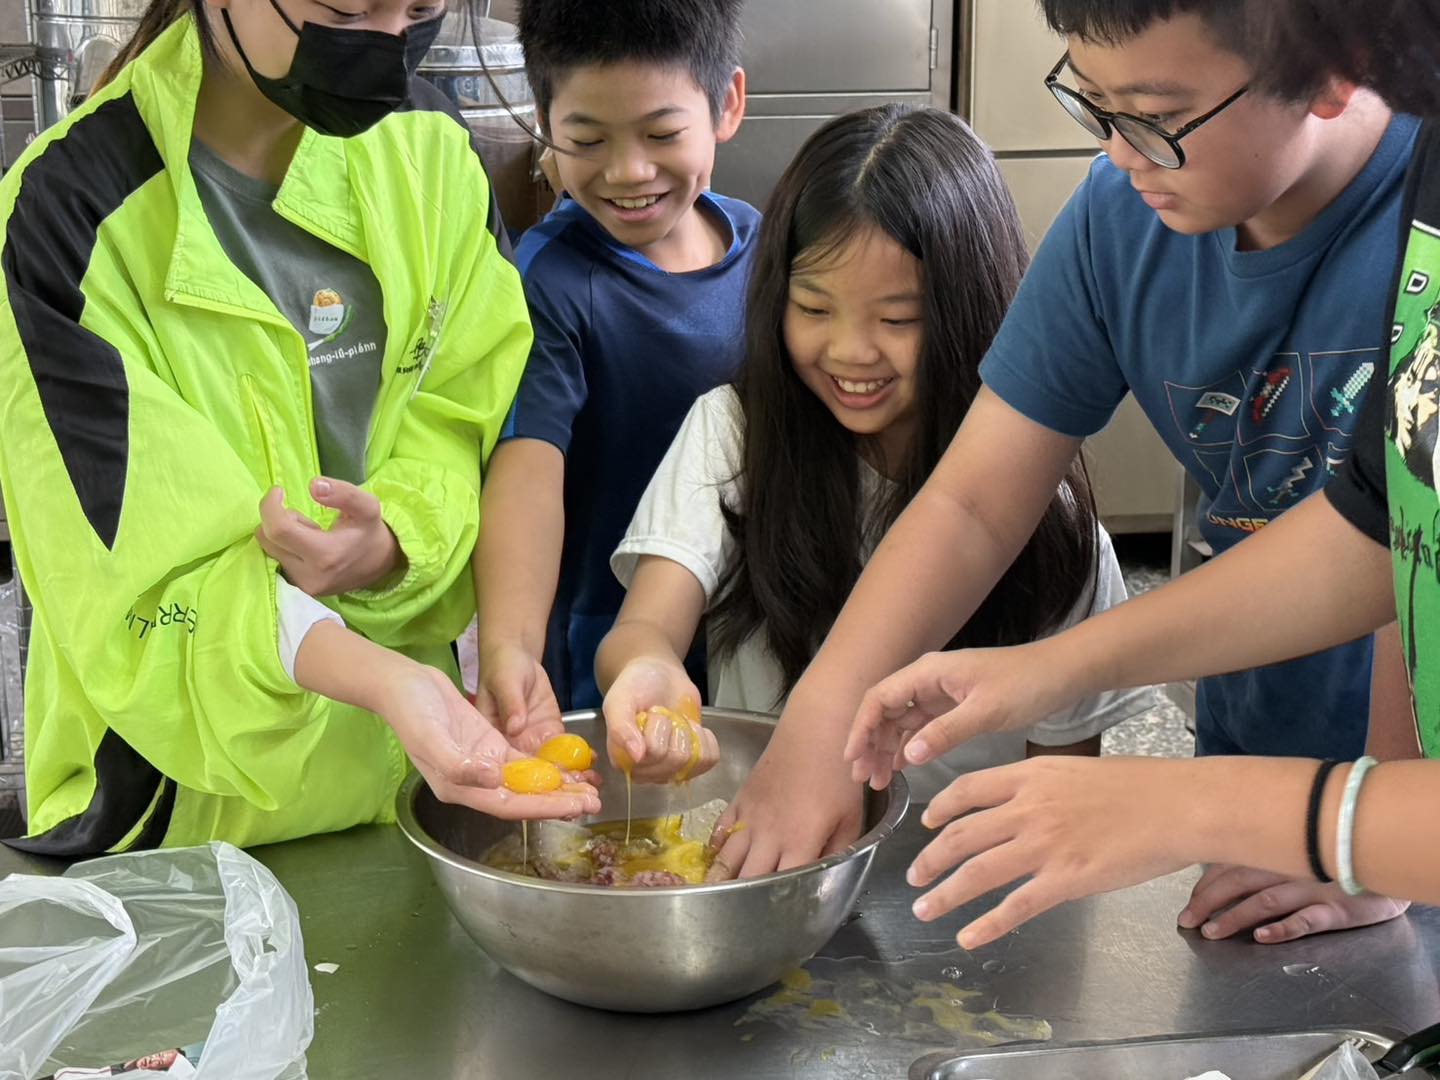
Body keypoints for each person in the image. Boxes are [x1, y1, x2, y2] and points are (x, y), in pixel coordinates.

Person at [710, 0, 1417, 910]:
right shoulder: (1119, 219)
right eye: (1093, 101)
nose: (1121, 154)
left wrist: (1374, 844)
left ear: (1333, 70)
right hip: (1273, 752)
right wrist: (821, 720)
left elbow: (1406, 564)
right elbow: (974, 502)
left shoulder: (1418, 231)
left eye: (1158, 118)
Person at [0, 0, 599, 857]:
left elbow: (466, 412)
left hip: (404, 795)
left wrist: (396, 538)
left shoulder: (430, 147)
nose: (390, 45)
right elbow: (141, 592)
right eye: (349, 7)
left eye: (422, 8)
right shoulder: (65, 218)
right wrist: (383, 680)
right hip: (175, 832)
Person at [594, 104, 1150, 811]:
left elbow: (1064, 791)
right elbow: (645, 626)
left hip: (950, 883)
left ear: (971, 311)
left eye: (897, 319)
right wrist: (648, 667)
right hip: (770, 849)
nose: (852, 352)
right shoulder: (736, 433)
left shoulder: (1053, 529)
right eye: (815, 308)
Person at [470, 0, 757, 735]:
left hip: (753, 628)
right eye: (588, 139)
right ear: (544, 120)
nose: (629, 172)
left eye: (662, 134)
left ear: (726, 103)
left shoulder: (762, 246)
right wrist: (509, 647)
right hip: (609, 641)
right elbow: (528, 463)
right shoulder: (552, 277)